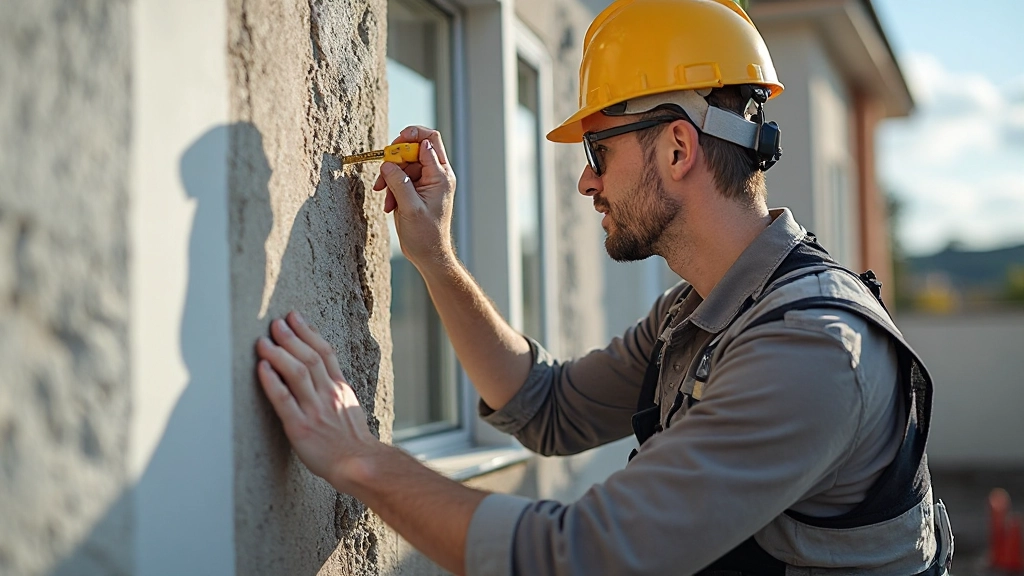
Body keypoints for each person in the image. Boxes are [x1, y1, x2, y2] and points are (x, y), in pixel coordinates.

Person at [253, 0, 954, 574]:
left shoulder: (811, 352)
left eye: (600, 150)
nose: (587, 180)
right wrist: (434, 256)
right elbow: (544, 406)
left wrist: (360, 459)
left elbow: (583, 559)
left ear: (679, 148)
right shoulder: (701, 315)